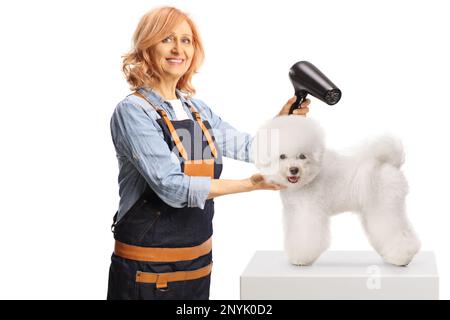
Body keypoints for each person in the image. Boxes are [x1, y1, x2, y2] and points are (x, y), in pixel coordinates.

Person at [107, 6, 310, 300]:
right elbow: (173, 187)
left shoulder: (195, 112)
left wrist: (283, 122)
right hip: (146, 271)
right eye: (167, 39)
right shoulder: (135, 112)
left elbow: (252, 148)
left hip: (196, 265)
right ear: (147, 47)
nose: (178, 48)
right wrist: (249, 185)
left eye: (186, 40)